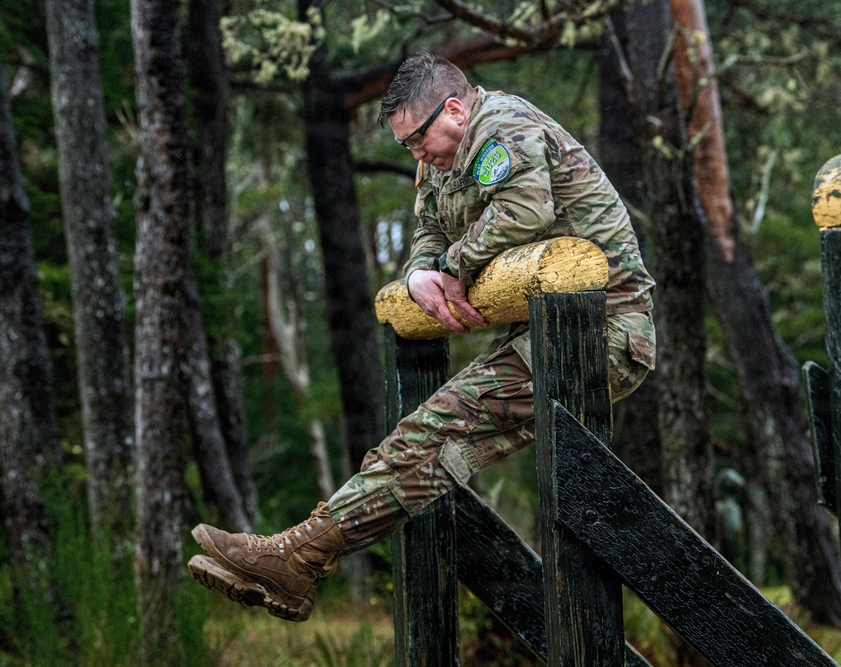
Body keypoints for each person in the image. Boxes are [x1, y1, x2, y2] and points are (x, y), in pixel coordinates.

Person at [187, 52, 656, 622]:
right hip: (542, 334)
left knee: (433, 428)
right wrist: (418, 274)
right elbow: (429, 229)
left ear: (454, 109)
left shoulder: (502, 126)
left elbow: (525, 210)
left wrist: (453, 265)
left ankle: (296, 556)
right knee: (425, 441)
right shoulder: (443, 155)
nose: (416, 154)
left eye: (416, 139)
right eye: (405, 146)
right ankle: (296, 560)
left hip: (601, 333)